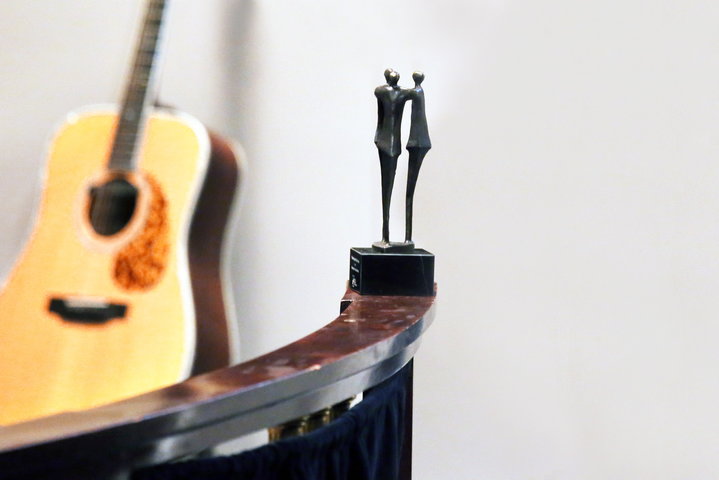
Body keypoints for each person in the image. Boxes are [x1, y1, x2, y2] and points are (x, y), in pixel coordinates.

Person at [374, 69, 410, 247]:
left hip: (389, 144)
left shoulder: (385, 91)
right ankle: (385, 235)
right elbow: (380, 117)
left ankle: (386, 235)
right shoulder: (390, 92)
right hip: (387, 143)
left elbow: (379, 118)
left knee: (387, 185)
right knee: (386, 185)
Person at [404, 71, 431, 243]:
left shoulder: (416, 92)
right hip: (419, 141)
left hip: (417, 141)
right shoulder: (418, 91)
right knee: (409, 191)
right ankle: (407, 236)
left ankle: (408, 237)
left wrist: (391, 87)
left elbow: (400, 94)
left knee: (410, 192)